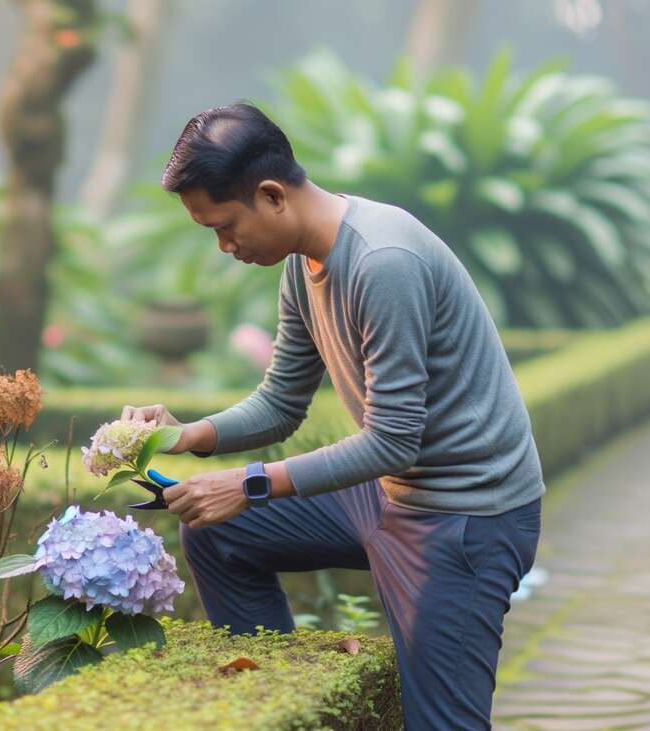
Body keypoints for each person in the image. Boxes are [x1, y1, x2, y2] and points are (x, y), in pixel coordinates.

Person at [120, 102, 544, 730]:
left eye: (225, 226)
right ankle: (276, 707)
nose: (224, 246)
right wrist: (186, 435)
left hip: (464, 516)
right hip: (393, 496)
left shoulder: (382, 262)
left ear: (271, 195)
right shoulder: (302, 259)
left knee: (442, 725)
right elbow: (282, 402)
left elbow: (395, 441)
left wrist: (248, 482)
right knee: (218, 529)